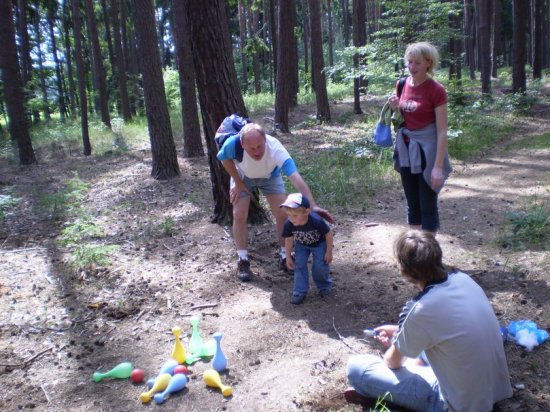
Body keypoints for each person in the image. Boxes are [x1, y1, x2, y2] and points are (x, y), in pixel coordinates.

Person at [345, 230, 513, 411]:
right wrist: (399, 332)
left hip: (458, 404)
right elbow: (448, 326)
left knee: (357, 368)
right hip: (493, 391)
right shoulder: (464, 280)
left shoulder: (420, 309)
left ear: (404, 269)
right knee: (423, 352)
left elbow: (392, 362)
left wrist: (399, 343)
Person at [217, 122, 334, 282]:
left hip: (270, 177)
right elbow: (224, 158)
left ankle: (285, 256)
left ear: (266, 141)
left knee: (282, 214)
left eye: (260, 146)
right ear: (242, 144)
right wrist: (238, 182)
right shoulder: (233, 144)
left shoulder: (276, 149)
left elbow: (296, 179)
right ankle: (243, 260)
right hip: (243, 176)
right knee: (239, 214)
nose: (257, 151)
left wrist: (312, 205)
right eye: (252, 148)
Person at [388, 42, 452, 233]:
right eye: (409, 62)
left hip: (428, 152)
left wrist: (438, 167)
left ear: (428, 63)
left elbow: (441, 131)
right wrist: (396, 107)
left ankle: (429, 258)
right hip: (407, 150)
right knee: (412, 204)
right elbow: (402, 119)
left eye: (417, 63)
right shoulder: (402, 84)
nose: (412, 67)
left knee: (427, 204)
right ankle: (415, 254)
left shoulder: (436, 90)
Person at [280, 193, 334, 304]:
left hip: (319, 244)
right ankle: (299, 291)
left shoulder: (316, 221)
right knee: (299, 265)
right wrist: (288, 256)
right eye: (288, 215)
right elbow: (289, 239)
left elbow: (328, 234)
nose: (291, 219)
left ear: (306, 212)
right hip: (301, 245)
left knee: (320, 265)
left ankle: (324, 286)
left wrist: (329, 251)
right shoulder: (289, 224)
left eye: (294, 215)